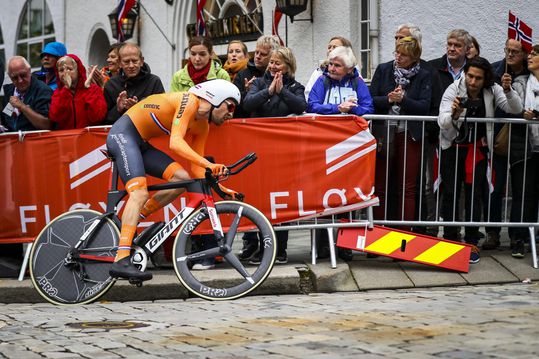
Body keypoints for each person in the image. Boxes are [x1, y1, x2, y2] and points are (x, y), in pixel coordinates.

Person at [106, 79, 240, 281]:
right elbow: (175, 143)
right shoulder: (189, 101)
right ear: (215, 98)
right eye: (230, 105)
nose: (232, 113)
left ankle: (132, 221)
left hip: (140, 143)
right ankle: (122, 258)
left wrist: (220, 186)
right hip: (123, 135)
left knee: (182, 180)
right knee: (139, 192)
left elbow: (196, 170)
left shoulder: (202, 126)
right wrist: (208, 164)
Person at [438, 57, 522, 264]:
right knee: (451, 193)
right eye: (470, 76)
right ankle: (450, 239)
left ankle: (472, 241)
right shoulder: (453, 89)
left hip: (477, 149)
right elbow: (443, 121)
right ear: (465, 74)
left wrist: (508, 89)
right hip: (453, 148)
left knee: (474, 194)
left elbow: (515, 108)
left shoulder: (492, 90)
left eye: (478, 78)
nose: (473, 82)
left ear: (485, 79)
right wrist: (455, 115)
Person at [243, 47, 307, 264]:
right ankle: (264, 247)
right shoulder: (259, 83)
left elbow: (301, 106)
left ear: (288, 66)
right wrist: (269, 92)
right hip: (260, 150)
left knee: (281, 201)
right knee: (261, 201)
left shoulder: (296, 86)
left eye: (277, 63)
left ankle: (280, 249)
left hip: (284, 152)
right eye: (271, 62)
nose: (272, 66)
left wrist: (282, 92)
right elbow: (248, 103)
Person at [369, 37, 432, 232]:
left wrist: (404, 99)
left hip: (409, 133)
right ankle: (378, 231)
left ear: (414, 57)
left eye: (403, 54)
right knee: (380, 185)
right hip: (384, 131)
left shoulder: (424, 74)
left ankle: (404, 234)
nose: (398, 57)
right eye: (396, 52)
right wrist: (389, 99)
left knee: (407, 186)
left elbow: (424, 106)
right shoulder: (384, 69)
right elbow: (371, 100)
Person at [482, 38, 530, 251]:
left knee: (520, 189)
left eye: (515, 51)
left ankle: (516, 235)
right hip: (500, 135)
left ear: (524, 55)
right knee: (496, 186)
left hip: (524, 137)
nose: (510, 54)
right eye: (507, 50)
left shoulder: (532, 74)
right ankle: (492, 233)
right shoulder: (495, 71)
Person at [510, 45, 539, 258]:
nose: (530, 57)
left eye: (535, 54)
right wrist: (522, 113)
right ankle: (518, 239)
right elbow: (513, 106)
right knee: (522, 194)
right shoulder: (521, 82)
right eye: (530, 54)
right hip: (525, 146)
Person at [103, 43, 165, 125]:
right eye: (126, 62)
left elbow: (163, 113)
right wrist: (118, 109)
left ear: (142, 61)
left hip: (147, 134)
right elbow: (104, 121)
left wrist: (139, 108)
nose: (131, 65)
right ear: (120, 63)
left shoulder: (154, 81)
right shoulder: (111, 85)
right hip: (120, 135)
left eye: (135, 61)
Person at [307, 46, 373, 116]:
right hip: (326, 126)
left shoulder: (358, 82)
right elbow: (311, 106)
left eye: (337, 65)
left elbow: (369, 109)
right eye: (330, 64)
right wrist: (337, 108)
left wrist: (352, 108)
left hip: (350, 126)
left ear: (349, 69)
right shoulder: (322, 80)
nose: (332, 69)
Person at [48, 54, 107, 129]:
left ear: (78, 71)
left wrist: (88, 90)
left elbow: (98, 117)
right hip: (67, 138)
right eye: (61, 70)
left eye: (69, 69)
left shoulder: (93, 89)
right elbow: (55, 117)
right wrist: (66, 89)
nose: (65, 73)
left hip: (88, 137)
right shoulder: (58, 93)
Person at [233, 35, 281, 120]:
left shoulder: (279, 76)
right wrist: (247, 92)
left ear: (273, 56)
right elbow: (234, 107)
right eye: (256, 52)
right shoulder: (242, 75)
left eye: (263, 54)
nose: (258, 56)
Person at [2, 56, 52, 131]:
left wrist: (23, 107)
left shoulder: (43, 90)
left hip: (35, 140)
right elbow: (5, 121)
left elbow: (47, 125)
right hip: (13, 140)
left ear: (29, 71)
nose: (20, 80)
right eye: (15, 78)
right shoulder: (8, 91)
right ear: (10, 77)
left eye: (23, 75)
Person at [304, 36, 353, 100]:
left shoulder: (354, 74)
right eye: (329, 47)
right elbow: (308, 96)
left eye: (335, 47)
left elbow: (363, 102)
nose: (330, 49)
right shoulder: (319, 73)